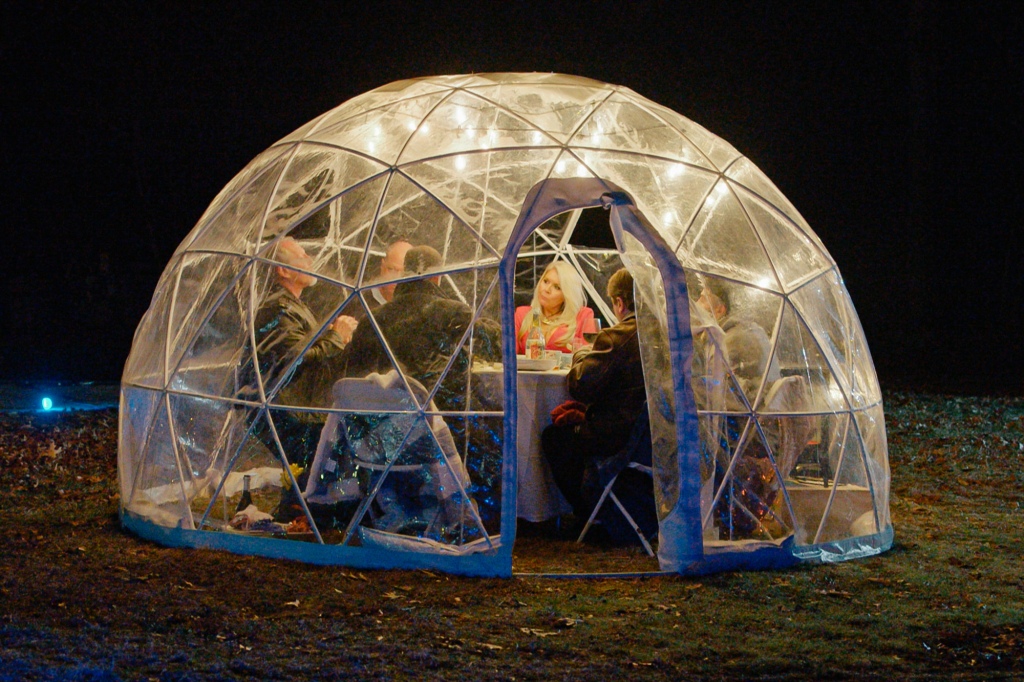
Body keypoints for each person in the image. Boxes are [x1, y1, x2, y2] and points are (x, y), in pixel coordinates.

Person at [341, 245, 502, 413]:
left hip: (385, 419)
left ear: (405, 273)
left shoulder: (372, 319)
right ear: (438, 276)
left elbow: (354, 379)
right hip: (442, 419)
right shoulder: (453, 314)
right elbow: (495, 347)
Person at [541, 268, 647, 521]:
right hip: (650, 437)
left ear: (619, 303)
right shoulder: (662, 333)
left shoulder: (618, 336)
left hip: (617, 434)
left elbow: (580, 385)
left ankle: (587, 512)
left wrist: (580, 354)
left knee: (555, 438)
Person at [243, 237, 358, 468]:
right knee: (313, 470)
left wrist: (333, 334)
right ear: (284, 271)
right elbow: (297, 358)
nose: (311, 260)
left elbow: (300, 346)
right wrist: (336, 337)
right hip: (286, 413)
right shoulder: (278, 307)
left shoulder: (292, 304)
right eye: (303, 256)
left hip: (297, 409)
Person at [514, 260, 596, 354]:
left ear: (567, 295)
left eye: (557, 287)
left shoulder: (582, 315)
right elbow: (508, 355)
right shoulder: (522, 314)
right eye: (545, 281)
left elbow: (588, 357)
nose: (547, 289)